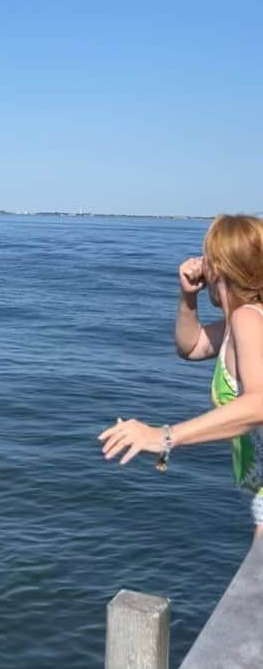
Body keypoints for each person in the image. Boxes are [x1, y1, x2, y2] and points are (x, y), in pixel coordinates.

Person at [98, 214, 263, 538]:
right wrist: (188, 296)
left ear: (219, 267)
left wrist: (164, 437)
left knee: (253, 588)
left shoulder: (248, 319)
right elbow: (191, 347)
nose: (199, 264)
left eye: (206, 257)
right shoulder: (243, 322)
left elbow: (259, 403)